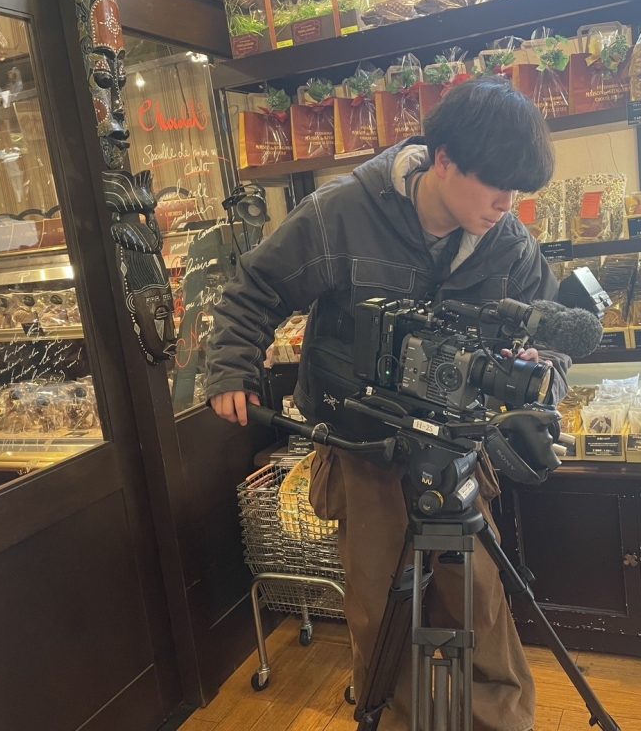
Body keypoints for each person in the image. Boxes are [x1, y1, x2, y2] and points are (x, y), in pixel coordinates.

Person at [206, 76, 568, 731]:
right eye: (495, 184)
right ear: (444, 159)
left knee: (478, 601)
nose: (506, 203)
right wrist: (232, 366)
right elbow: (256, 286)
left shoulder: (510, 244)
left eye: (517, 190)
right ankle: (394, 719)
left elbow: (553, 343)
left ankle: (497, 724)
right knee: (382, 606)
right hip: (361, 448)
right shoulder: (343, 211)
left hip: (455, 452)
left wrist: (540, 388)